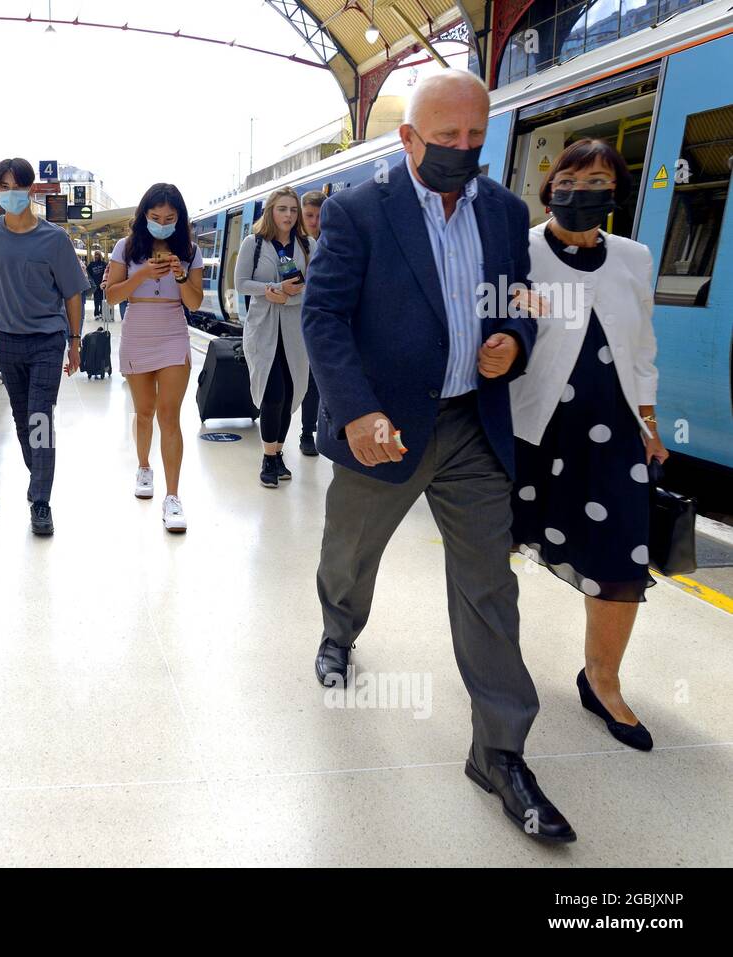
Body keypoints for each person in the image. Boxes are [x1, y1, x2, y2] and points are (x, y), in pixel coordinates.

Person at [301, 71, 575, 843]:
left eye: (474, 138)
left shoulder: (505, 212)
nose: (463, 151)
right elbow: (323, 315)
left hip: (468, 428)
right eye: (447, 138)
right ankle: (338, 630)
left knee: (490, 584)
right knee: (350, 551)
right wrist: (355, 411)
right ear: (408, 138)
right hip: (382, 425)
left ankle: (500, 752)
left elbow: (516, 303)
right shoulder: (360, 211)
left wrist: (509, 344)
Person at [510, 139, 666, 752]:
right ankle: (493, 670)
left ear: (615, 193)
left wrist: (651, 426)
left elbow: (642, 344)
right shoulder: (516, 250)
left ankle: (602, 679)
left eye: (600, 180)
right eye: (572, 176)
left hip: (614, 431)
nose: (584, 189)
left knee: (621, 557)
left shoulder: (633, 257)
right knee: (495, 548)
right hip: (531, 427)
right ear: (551, 187)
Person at [0, 157, 90, 536]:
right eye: (2, 187)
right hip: (7, 343)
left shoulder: (54, 239)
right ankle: (38, 474)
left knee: (41, 419)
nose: (9, 194)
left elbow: (73, 295)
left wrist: (75, 341)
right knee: (23, 422)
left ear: (32, 190)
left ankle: (41, 501)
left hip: (47, 342)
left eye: (16, 187)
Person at [105, 183, 204, 532]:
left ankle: (173, 496)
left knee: (169, 416)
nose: (162, 222)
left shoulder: (190, 252)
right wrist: (144, 272)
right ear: (144, 216)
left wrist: (179, 274)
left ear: (179, 219)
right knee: (143, 411)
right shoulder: (125, 248)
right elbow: (113, 296)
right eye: (155, 217)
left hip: (173, 333)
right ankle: (144, 466)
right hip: (138, 331)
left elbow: (194, 302)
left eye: (169, 218)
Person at [235, 187, 310, 488]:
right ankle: (267, 457)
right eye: (282, 209)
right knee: (273, 393)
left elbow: (313, 285)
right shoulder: (252, 244)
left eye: (293, 210)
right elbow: (241, 283)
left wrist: (287, 299)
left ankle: (278, 453)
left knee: (291, 393)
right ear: (270, 211)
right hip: (263, 330)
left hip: (295, 331)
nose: (289, 215)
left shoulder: (307, 245)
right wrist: (275, 290)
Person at [297, 190, 326, 457]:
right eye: (309, 215)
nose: (314, 221)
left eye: (319, 215)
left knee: (314, 379)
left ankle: (308, 432)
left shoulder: (332, 241)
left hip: (323, 321)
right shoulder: (293, 244)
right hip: (293, 318)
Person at [86, 251, 108, 320]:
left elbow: (107, 272)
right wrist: (91, 282)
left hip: (102, 285)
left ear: (100, 256)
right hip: (95, 285)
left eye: (98, 255)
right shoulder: (91, 264)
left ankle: (102, 312)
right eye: (95, 255)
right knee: (96, 300)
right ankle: (96, 314)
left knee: (102, 300)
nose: (96, 256)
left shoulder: (104, 264)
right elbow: (88, 273)